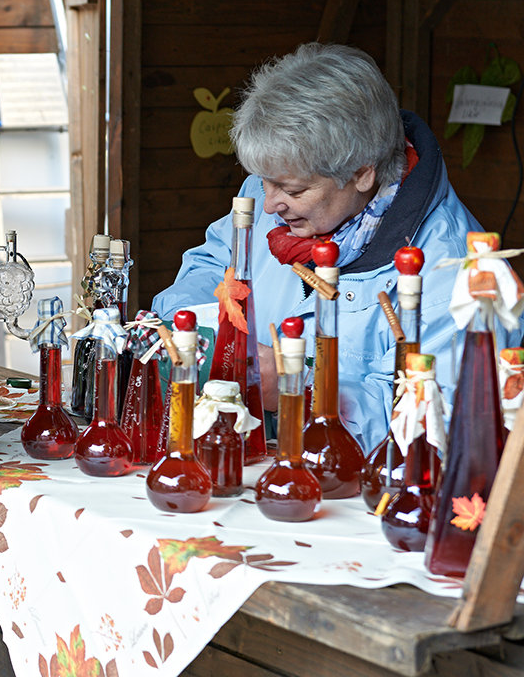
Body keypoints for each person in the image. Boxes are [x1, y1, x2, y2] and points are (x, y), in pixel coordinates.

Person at [153, 42, 481, 452]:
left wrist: (298, 391)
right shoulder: (274, 187)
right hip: (249, 455)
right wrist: (187, 326)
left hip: (349, 498)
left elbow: (444, 429)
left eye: (291, 189)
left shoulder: (453, 272)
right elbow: (213, 265)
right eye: (262, 180)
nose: (269, 203)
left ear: (362, 173)